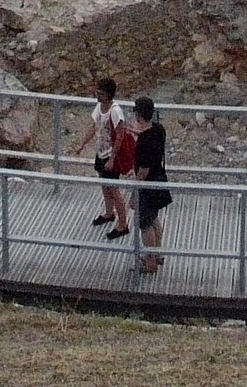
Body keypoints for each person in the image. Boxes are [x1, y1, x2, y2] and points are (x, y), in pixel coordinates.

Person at [70, 78, 131, 237]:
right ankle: (109, 213)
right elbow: (94, 126)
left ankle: (123, 224)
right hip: (101, 153)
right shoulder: (100, 107)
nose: (98, 95)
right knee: (105, 186)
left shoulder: (115, 111)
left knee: (114, 189)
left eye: (101, 93)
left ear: (108, 95)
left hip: (110, 155)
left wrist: (112, 159)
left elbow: (120, 136)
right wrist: (82, 144)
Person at [130, 95, 171, 273]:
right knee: (154, 219)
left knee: (145, 224)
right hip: (159, 180)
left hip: (146, 185)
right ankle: (157, 253)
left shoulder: (145, 141)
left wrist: (134, 192)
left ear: (139, 115)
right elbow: (147, 133)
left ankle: (150, 261)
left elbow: (143, 170)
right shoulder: (159, 130)